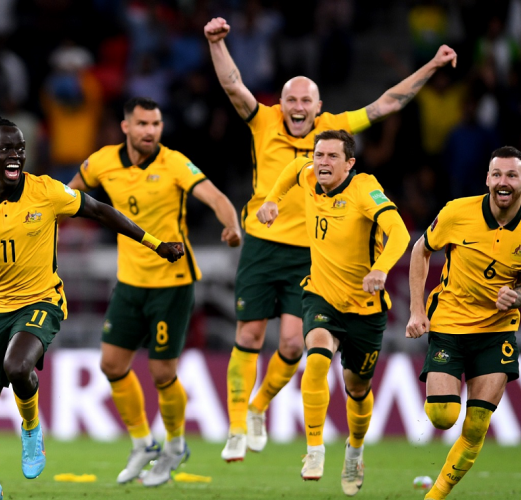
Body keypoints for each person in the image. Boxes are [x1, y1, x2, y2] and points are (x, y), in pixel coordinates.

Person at [204, 15, 457, 461]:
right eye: (290, 99)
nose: (297, 106)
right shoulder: (263, 121)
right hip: (262, 244)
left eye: (306, 100)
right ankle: (236, 427)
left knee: (289, 345)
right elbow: (232, 85)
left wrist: (432, 66)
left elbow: (387, 104)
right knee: (247, 334)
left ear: (318, 108)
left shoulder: (334, 130)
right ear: (280, 103)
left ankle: (260, 405)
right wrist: (216, 43)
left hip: (312, 251)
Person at [0, 104, 183, 500]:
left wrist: (155, 243)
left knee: (17, 365)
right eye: (5, 149)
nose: (15, 155)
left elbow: (99, 210)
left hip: (42, 299)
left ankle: (31, 428)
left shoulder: (46, 190)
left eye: (20, 148)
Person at [68, 96, 242, 486]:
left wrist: (232, 226)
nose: (151, 131)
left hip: (172, 283)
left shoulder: (175, 163)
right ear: (126, 127)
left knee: (163, 373)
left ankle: (176, 445)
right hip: (129, 282)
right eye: (143, 124)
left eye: (156, 124)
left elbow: (215, 196)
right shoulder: (101, 161)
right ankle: (143, 442)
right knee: (112, 365)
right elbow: (69, 195)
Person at [257, 130, 410, 495]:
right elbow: (293, 167)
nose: (321, 162)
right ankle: (313, 450)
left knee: (357, 388)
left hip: (365, 308)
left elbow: (400, 233)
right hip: (321, 297)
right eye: (318, 154)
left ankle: (354, 450)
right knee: (317, 361)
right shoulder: (308, 172)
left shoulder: (365, 191)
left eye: (331, 157)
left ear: (349, 163)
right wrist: (272, 201)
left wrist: (381, 269)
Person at [406, 146, 521, 500]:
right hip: (450, 325)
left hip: (497, 331)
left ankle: (435, 496)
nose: (504, 182)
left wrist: (518, 297)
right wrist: (416, 310)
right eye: (497, 174)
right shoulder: (457, 212)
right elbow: (420, 250)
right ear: (487, 179)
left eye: (512, 176)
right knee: (442, 416)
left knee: (476, 426)